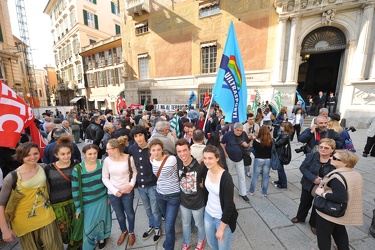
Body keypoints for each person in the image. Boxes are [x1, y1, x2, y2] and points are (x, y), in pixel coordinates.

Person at [0, 142, 63, 249]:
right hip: (24, 223)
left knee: (55, 246)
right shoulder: (12, 177)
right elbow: (1, 204)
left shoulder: (43, 167)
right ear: (21, 156)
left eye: (35, 153)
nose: (32, 157)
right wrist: (5, 229)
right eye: (27, 155)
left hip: (47, 217)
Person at [314, 150, 363, 249]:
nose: (331, 158)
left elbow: (340, 197)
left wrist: (322, 193)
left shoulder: (337, 178)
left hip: (329, 213)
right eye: (332, 156)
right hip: (342, 211)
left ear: (345, 163)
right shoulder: (355, 174)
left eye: (335, 158)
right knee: (340, 233)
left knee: (323, 236)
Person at [291, 138, 336, 235]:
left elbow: (336, 175)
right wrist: (313, 178)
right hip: (308, 185)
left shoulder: (334, 161)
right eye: (321, 147)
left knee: (318, 205)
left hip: (323, 188)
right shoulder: (312, 156)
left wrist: (324, 181)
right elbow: (303, 168)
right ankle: (300, 217)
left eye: (326, 148)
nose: (323, 149)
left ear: (332, 150)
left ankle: (314, 224)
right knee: (304, 202)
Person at [44, 136, 82, 249]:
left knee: (77, 230)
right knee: (63, 233)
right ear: (56, 155)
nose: (66, 156)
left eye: (68, 153)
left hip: (75, 203)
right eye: (63, 154)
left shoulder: (77, 165)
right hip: (58, 206)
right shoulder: (49, 168)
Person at [72, 144, 112, 250]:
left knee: (102, 220)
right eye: (90, 154)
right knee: (88, 226)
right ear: (83, 154)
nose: (93, 156)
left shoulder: (102, 163)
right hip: (87, 202)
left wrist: (109, 196)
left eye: (95, 153)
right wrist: (78, 208)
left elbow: (109, 181)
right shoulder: (78, 169)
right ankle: (89, 245)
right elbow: (75, 189)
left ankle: (101, 238)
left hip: (102, 198)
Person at [128, 126, 162, 243]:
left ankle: (157, 226)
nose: (138, 138)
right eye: (136, 136)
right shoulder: (132, 149)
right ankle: (151, 224)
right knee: (147, 208)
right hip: (141, 186)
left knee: (155, 208)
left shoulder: (151, 148)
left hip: (153, 184)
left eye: (140, 135)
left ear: (144, 135)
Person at [102, 137, 137, 247]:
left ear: (116, 149)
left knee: (130, 213)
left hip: (127, 191)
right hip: (113, 193)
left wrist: (131, 185)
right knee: (119, 215)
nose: (106, 151)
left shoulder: (129, 158)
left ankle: (131, 232)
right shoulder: (107, 160)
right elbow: (105, 177)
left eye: (108, 149)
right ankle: (123, 231)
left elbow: (135, 172)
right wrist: (114, 191)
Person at [202, 145, 238, 250]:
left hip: (222, 219)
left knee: (223, 248)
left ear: (217, 158)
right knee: (212, 244)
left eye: (210, 158)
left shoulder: (226, 177)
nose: (207, 161)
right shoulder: (206, 170)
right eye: (205, 158)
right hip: (208, 214)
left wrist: (221, 229)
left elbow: (229, 205)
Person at [175, 139, 207, 250]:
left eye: (184, 150)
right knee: (185, 223)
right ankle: (186, 243)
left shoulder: (200, 165)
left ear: (190, 150)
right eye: (179, 151)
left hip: (197, 202)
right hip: (184, 201)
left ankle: (201, 240)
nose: (182, 154)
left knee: (199, 224)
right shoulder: (177, 162)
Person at [149, 139, 180, 250]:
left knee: (169, 225)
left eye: (158, 150)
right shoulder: (152, 160)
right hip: (160, 194)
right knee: (167, 220)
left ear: (162, 150)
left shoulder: (171, 159)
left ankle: (168, 247)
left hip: (173, 196)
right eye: (153, 150)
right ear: (150, 151)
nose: (156, 152)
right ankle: (171, 237)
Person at [221, 122, 250, 202]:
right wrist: (225, 154)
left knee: (242, 177)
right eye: (238, 130)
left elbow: (248, 144)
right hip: (229, 159)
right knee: (228, 177)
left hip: (240, 159)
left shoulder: (244, 134)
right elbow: (222, 143)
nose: (239, 132)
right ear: (234, 129)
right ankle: (227, 192)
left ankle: (243, 193)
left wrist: (246, 145)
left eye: (241, 130)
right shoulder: (228, 134)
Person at [249, 126, 273, 197]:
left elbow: (254, 149)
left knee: (255, 176)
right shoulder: (271, 141)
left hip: (258, 159)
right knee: (265, 176)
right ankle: (264, 192)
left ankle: (251, 191)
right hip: (268, 160)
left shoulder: (256, 141)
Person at [273, 122, 293, 189]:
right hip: (280, 152)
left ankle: (283, 184)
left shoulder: (285, 136)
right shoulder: (283, 134)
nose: (281, 127)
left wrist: (273, 141)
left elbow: (277, 143)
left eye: (282, 126)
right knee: (279, 168)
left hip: (281, 154)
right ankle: (280, 180)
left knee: (281, 169)